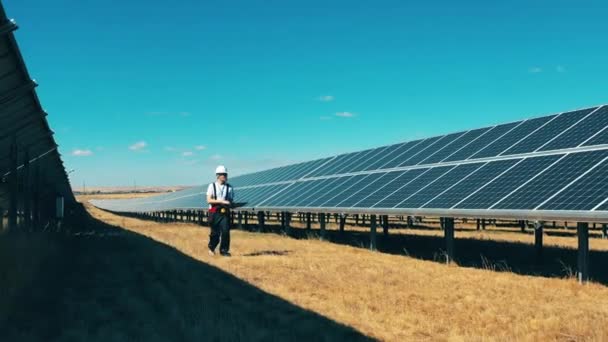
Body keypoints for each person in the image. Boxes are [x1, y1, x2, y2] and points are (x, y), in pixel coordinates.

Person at [206, 165, 234, 257]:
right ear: (218, 175)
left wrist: (228, 203)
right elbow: (209, 200)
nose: (225, 176)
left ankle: (224, 251)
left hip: (224, 212)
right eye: (223, 174)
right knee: (215, 233)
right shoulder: (212, 186)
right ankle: (212, 247)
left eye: (225, 174)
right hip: (214, 212)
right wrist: (221, 201)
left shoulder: (229, 187)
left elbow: (230, 200)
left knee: (226, 232)